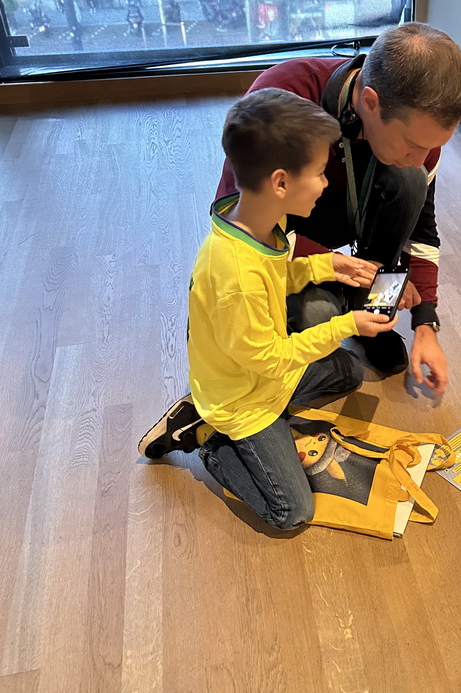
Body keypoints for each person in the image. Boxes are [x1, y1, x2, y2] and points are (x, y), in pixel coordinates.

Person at [140, 21, 461, 458]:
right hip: (288, 252)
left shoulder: (419, 136)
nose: (423, 158)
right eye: (412, 144)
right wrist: (334, 268)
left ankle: (373, 315)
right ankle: (216, 411)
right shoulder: (284, 96)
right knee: (318, 318)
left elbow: (422, 232)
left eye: (434, 147)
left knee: (409, 185)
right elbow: (241, 222)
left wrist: (426, 324)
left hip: (345, 254)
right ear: (370, 101)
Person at [140, 89, 394, 530]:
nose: (325, 182)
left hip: (261, 376)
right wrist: (344, 323)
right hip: (242, 400)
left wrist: (324, 266)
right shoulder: (233, 273)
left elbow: (277, 281)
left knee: (349, 373)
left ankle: (231, 420)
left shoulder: (263, 223)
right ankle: (209, 441)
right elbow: (271, 356)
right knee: (292, 512)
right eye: (318, 173)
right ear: (280, 182)